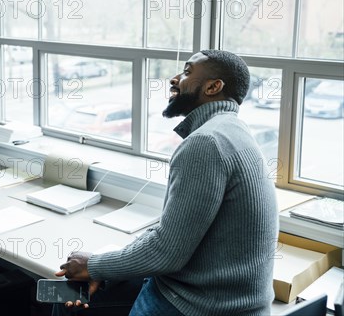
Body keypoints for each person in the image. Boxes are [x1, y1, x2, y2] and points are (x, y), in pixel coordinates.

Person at [54, 50, 278, 316]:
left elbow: (166, 253)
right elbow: (171, 233)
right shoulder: (231, 131)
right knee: (76, 299)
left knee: (67, 301)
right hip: (218, 297)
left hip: (198, 306)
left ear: (213, 86)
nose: (174, 79)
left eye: (186, 72)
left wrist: (94, 265)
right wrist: (105, 267)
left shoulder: (205, 143)